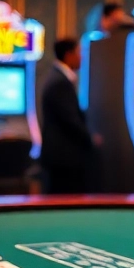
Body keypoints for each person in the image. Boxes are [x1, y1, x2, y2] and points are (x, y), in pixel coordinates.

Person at [38, 38, 97, 194]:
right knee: (64, 205)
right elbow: (71, 121)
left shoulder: (57, 77)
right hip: (63, 159)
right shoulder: (60, 82)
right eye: (79, 53)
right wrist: (91, 139)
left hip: (60, 158)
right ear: (68, 55)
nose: (81, 57)